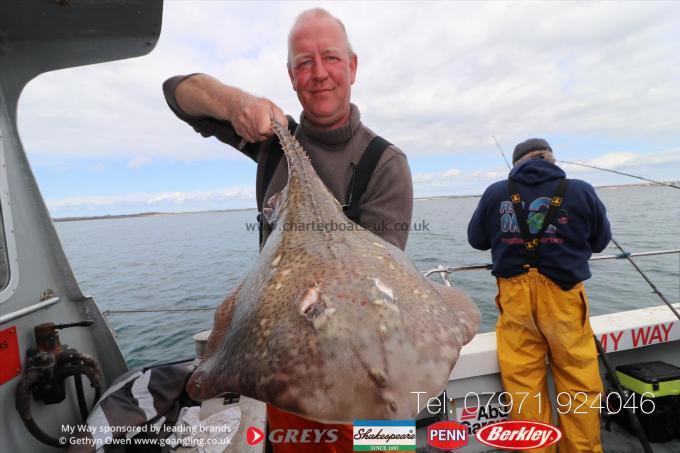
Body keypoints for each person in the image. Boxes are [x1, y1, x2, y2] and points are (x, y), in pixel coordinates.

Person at [163, 8, 413, 453]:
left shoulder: (386, 164)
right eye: (304, 62)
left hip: (375, 383)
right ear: (291, 75)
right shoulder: (272, 144)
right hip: (288, 376)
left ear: (352, 67)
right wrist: (235, 104)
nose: (319, 73)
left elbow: (379, 284)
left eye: (331, 58)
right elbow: (177, 92)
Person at [467, 138, 611, 453]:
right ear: (550, 159)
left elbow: (476, 239)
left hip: (515, 297)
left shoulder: (495, 192)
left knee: (523, 383)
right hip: (564, 296)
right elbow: (600, 241)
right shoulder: (580, 190)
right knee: (578, 381)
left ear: (517, 163)